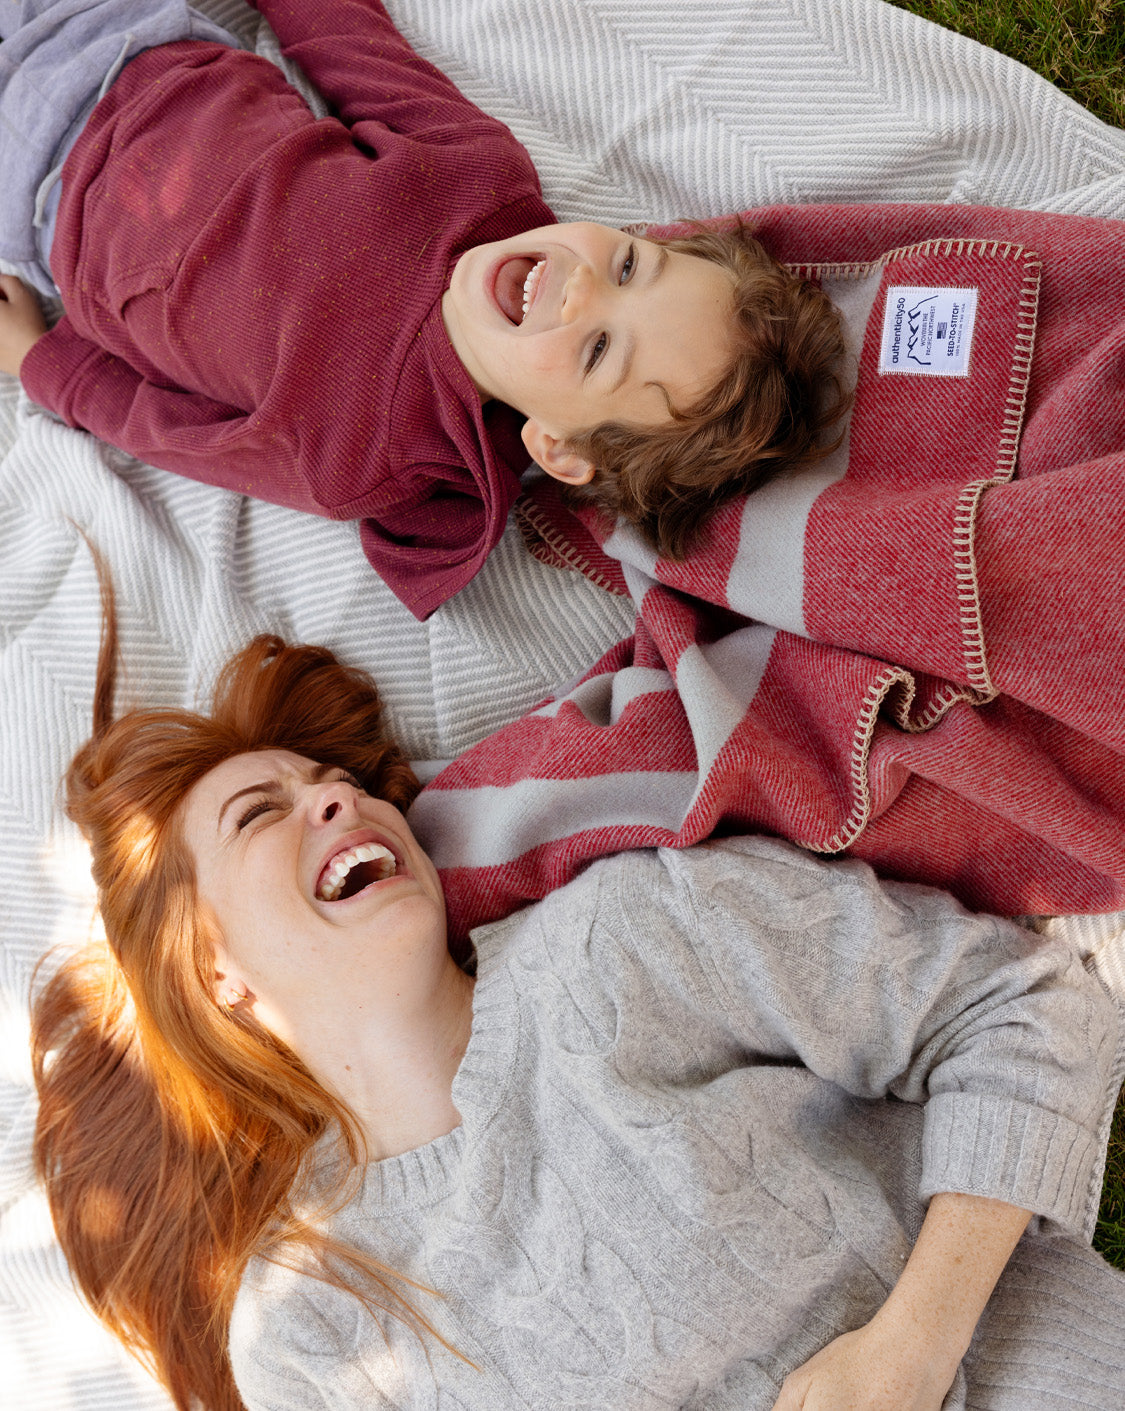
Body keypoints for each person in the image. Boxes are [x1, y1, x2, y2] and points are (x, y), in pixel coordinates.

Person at [32, 600, 1125, 1411]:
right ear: (212, 971)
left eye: (342, 781)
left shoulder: (621, 938)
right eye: (260, 814)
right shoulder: (305, 1328)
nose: (339, 795)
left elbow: (1020, 1008)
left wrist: (910, 1350)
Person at [0, 0, 849, 618]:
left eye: (596, 352)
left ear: (554, 447)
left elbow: (181, 435)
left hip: (40, 212)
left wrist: (42, 363)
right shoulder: (483, 183)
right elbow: (353, 50)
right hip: (133, 46)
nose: (579, 286)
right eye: (628, 263)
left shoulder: (372, 459)